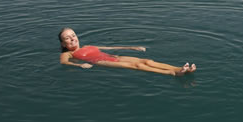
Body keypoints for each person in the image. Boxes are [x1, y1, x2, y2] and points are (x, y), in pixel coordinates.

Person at [58, 27, 196, 76]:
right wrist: (79, 65)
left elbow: (109, 48)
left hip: (113, 56)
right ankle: (172, 73)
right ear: (63, 43)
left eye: (73, 35)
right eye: (67, 38)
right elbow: (64, 63)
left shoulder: (87, 45)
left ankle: (179, 68)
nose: (72, 39)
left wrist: (131, 47)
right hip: (102, 61)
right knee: (136, 66)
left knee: (147, 61)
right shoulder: (66, 54)